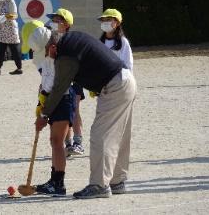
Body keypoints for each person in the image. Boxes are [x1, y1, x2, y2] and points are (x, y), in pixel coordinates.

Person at [34, 29, 137, 199]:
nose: (47, 57)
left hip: (115, 86)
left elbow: (59, 87)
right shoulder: (71, 39)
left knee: (100, 136)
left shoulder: (65, 56)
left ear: (52, 47)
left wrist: (44, 115)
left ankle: (99, 185)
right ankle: (117, 181)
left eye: (45, 52)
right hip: (125, 81)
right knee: (120, 135)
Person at [21, 21, 75, 197]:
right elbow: (44, 83)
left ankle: (59, 184)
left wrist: (43, 115)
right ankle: (54, 180)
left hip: (63, 99)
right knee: (54, 141)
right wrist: (40, 103)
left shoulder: (60, 58)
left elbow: (54, 86)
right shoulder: (47, 57)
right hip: (53, 100)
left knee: (57, 141)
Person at [46, 8, 85, 157]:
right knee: (64, 113)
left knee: (74, 110)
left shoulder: (73, 40)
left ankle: (78, 142)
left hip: (74, 79)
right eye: (53, 20)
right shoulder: (51, 39)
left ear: (66, 24)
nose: (54, 23)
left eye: (57, 20)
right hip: (58, 82)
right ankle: (68, 144)